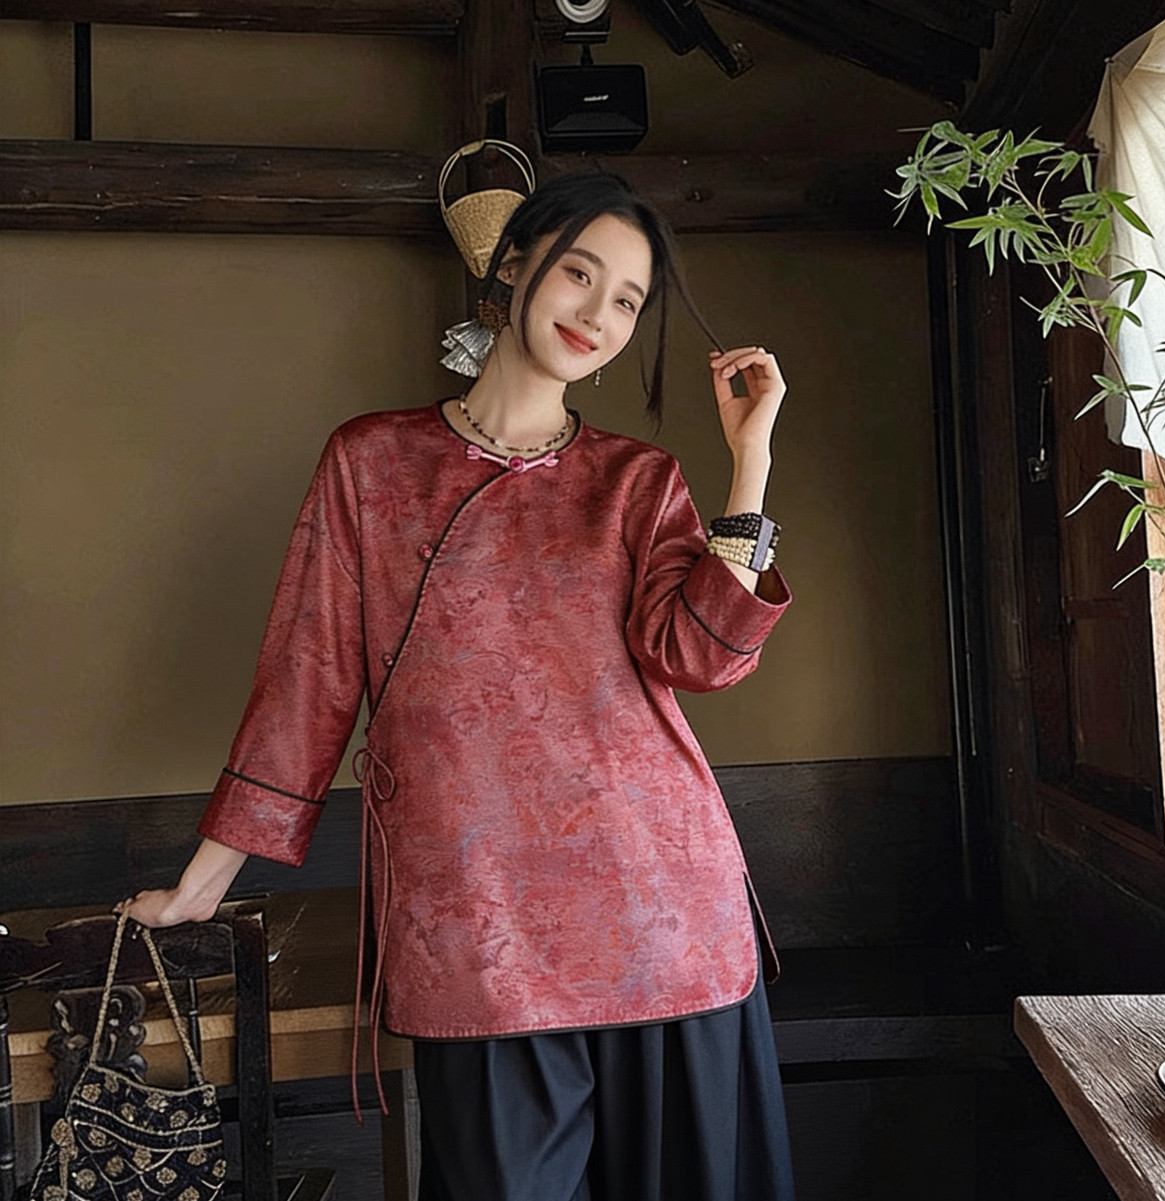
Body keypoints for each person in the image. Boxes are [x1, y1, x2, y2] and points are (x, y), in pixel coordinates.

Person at [119, 171, 796, 1201]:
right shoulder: (370, 461)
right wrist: (204, 884)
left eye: (626, 300)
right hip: (478, 925)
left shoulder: (638, 479)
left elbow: (702, 658)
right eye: (579, 273)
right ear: (513, 264)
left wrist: (748, 463)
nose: (597, 314)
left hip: (665, 915)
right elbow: (307, 680)